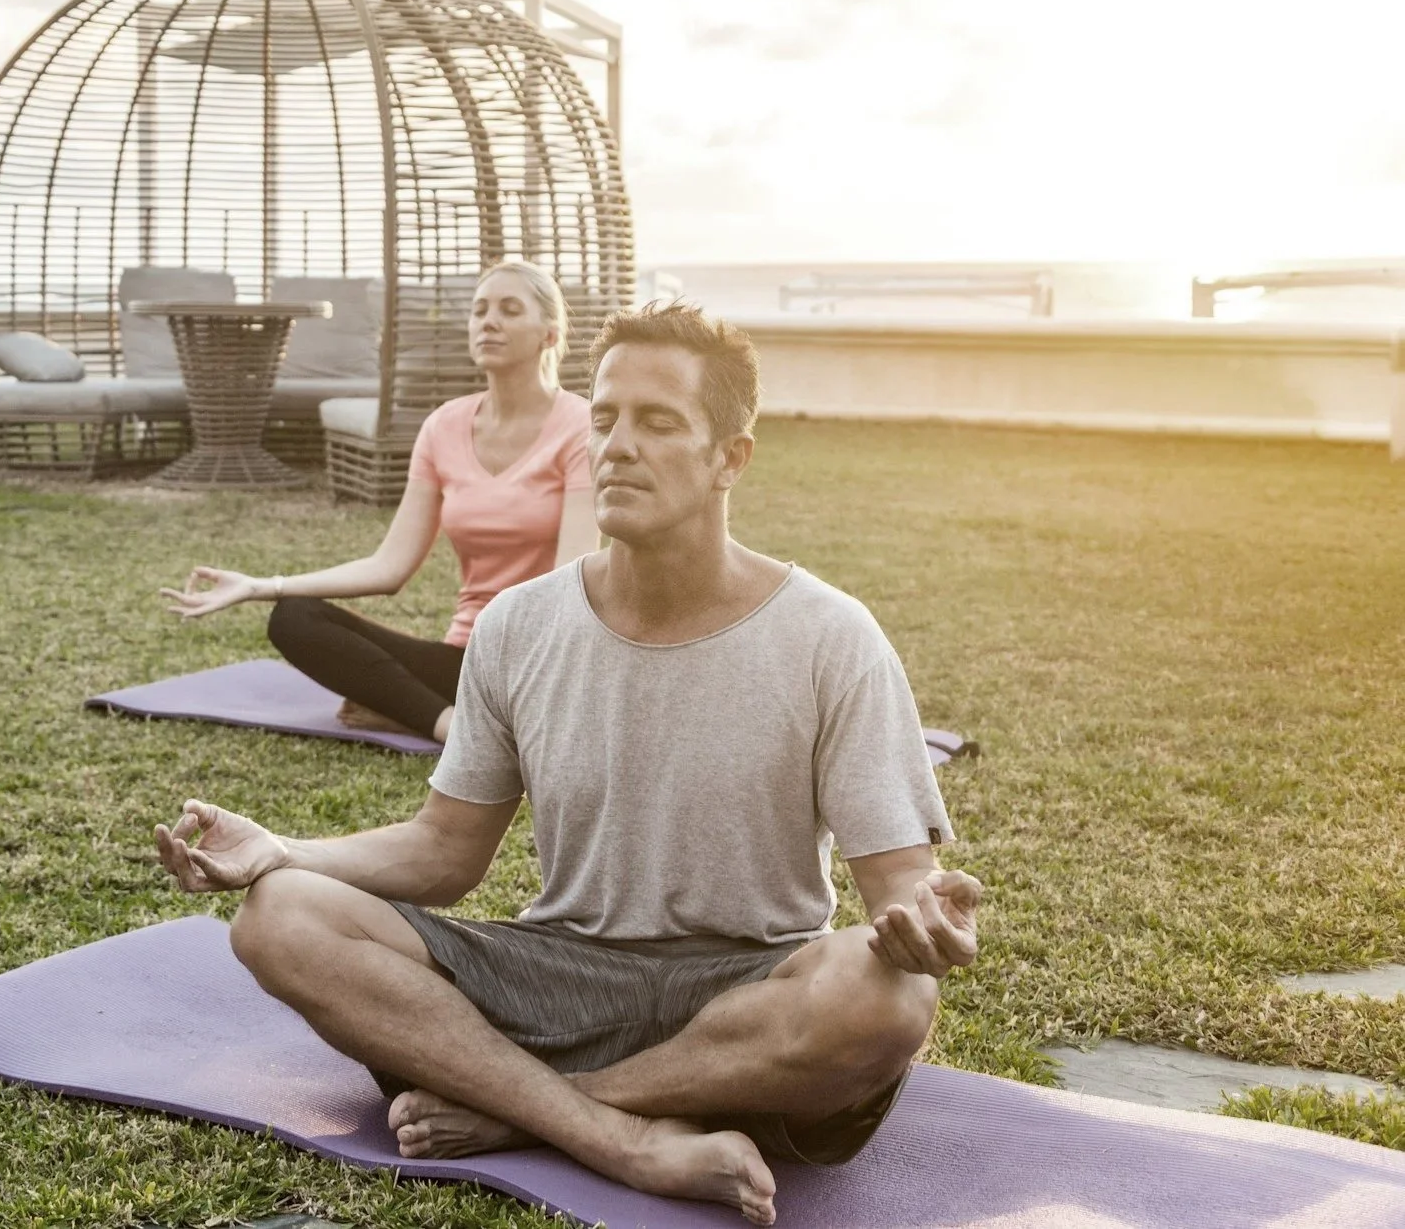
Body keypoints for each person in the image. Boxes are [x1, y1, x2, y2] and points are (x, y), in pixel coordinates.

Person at [153, 301, 979, 1225]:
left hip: (747, 993)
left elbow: (902, 890)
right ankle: (615, 1136)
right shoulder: (518, 624)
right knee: (280, 916)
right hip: (554, 974)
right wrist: (284, 849)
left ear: (729, 458)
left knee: (892, 998)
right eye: (604, 418)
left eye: (659, 422)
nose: (617, 446)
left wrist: (925, 928)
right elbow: (443, 853)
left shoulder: (832, 636)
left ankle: (526, 1110)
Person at [162, 260, 595, 741]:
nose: (488, 321)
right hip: (465, 660)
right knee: (295, 617)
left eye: (510, 310)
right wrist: (261, 585)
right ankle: (450, 726)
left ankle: (424, 712)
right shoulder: (443, 427)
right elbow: (389, 567)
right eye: (479, 310)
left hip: (544, 660)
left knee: (536, 674)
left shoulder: (581, 428)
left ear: (550, 335)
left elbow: (567, 591)